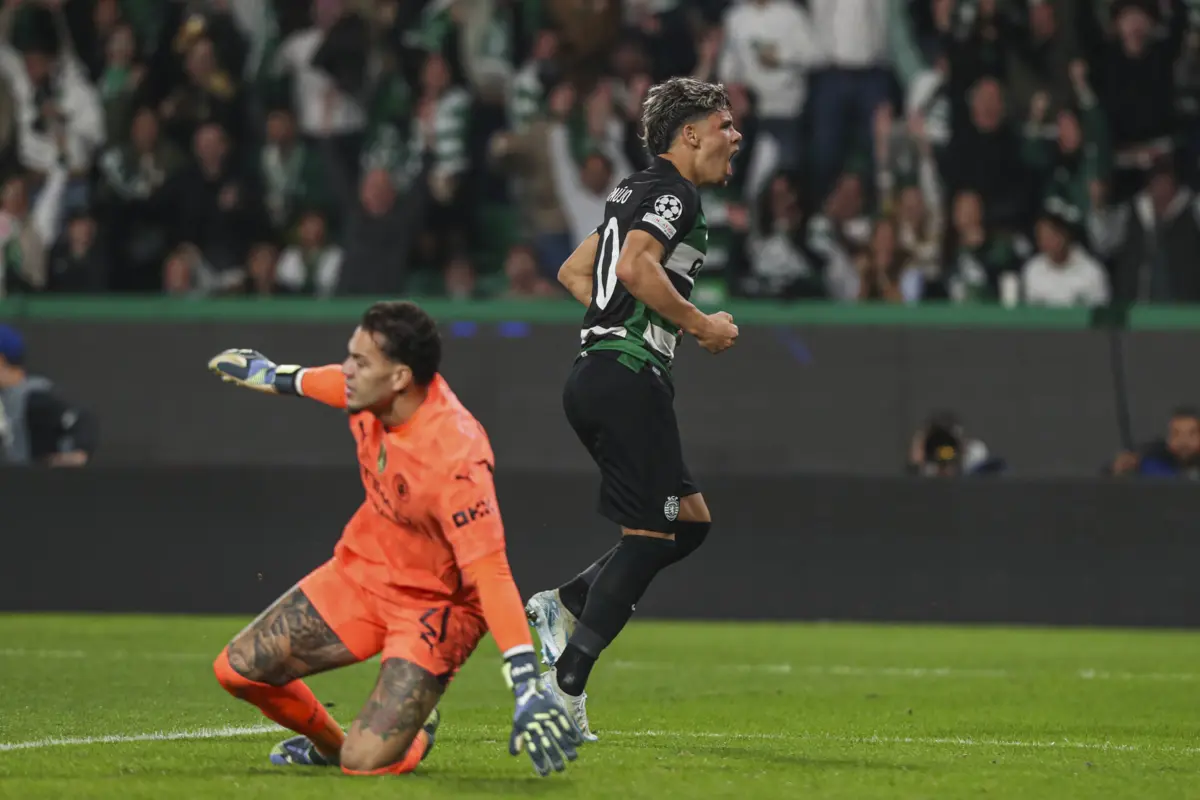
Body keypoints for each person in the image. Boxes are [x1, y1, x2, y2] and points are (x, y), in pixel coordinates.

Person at [205, 301, 582, 778]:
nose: (347, 370)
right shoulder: (369, 395)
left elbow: (491, 571)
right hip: (363, 573)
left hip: (435, 608)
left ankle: (414, 730)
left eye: (360, 362)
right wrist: (272, 376)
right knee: (235, 671)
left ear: (400, 377)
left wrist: (525, 683)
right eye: (351, 355)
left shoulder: (455, 455)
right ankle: (328, 746)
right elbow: (328, 383)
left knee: (365, 767)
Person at [524, 77, 742, 739]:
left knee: (690, 522)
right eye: (725, 124)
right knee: (650, 537)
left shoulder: (633, 191)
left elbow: (573, 272)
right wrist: (699, 325)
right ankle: (564, 689)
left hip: (598, 374)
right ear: (690, 133)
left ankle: (564, 603)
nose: (735, 137)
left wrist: (620, 321)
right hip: (625, 377)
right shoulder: (674, 193)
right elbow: (635, 269)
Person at [0, 324, 97, 466]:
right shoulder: (6, 397)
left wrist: (76, 454)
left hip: (42, 483)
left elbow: (81, 419)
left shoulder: (33, 396)